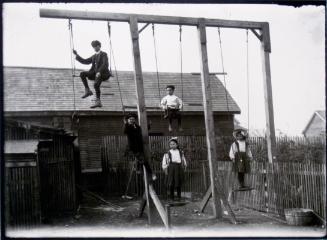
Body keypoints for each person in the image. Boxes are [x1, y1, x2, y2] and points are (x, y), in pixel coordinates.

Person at [73, 40, 112, 108]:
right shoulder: (94, 56)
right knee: (82, 74)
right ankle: (88, 91)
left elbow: (105, 64)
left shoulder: (104, 54)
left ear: (99, 46)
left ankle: (98, 101)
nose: (94, 48)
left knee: (96, 84)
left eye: (95, 46)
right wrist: (77, 55)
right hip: (94, 73)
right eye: (93, 47)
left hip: (103, 73)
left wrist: (99, 72)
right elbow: (85, 61)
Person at [123, 113, 156, 181]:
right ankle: (151, 174)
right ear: (128, 120)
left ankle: (138, 168)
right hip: (134, 148)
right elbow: (125, 131)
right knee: (144, 161)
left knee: (141, 159)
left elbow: (142, 130)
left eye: (133, 119)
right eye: (130, 119)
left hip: (140, 146)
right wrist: (125, 123)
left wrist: (149, 125)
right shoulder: (128, 127)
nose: (132, 120)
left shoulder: (137, 126)